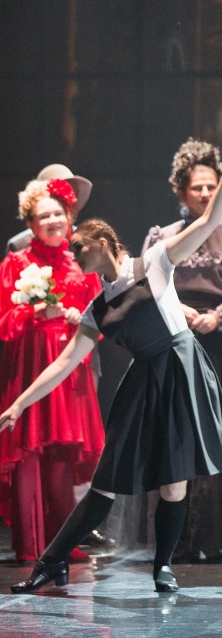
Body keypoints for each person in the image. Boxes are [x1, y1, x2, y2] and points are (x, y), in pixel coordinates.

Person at [3, 139, 222, 594]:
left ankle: (163, 567)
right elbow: (66, 363)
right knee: (106, 482)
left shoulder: (155, 262)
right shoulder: (97, 308)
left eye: (80, 250)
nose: (75, 257)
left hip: (180, 371)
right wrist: (19, 404)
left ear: (102, 244)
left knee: (174, 484)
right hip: (143, 382)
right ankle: (51, 563)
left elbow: (209, 221)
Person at [140, 138, 222, 562]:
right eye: (196, 187)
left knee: (217, 437)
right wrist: (176, 308)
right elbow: (146, 290)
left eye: (212, 186)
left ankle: (212, 536)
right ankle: (175, 539)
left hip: (219, 349)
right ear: (181, 191)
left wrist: (219, 317)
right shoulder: (162, 237)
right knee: (176, 438)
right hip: (175, 346)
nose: (204, 193)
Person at [0, 178, 104, 565]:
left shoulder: (81, 262)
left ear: (69, 216)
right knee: (29, 450)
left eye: (58, 213)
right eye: (43, 216)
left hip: (69, 368)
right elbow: (4, 322)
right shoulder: (16, 263)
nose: (53, 221)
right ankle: (29, 544)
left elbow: (102, 320)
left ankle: (62, 541)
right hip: (29, 364)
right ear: (30, 223)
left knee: (62, 452)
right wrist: (33, 313)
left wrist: (80, 319)